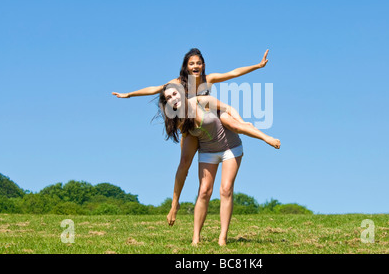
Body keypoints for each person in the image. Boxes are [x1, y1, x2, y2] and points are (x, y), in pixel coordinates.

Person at [112, 48, 272, 224]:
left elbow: (233, 73)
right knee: (183, 164)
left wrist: (258, 65)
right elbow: (156, 89)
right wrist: (129, 94)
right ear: (186, 67)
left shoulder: (208, 79)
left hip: (208, 122)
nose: (195, 66)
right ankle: (175, 204)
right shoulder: (178, 83)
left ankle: (248, 132)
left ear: (203, 65)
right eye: (191, 63)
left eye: (198, 63)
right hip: (191, 130)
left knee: (227, 123)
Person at [158, 83, 280, 246]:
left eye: (175, 94)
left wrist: (244, 123)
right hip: (208, 151)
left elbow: (228, 108)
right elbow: (183, 167)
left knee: (226, 189)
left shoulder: (201, 101)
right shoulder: (179, 121)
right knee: (203, 191)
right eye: (168, 97)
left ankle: (222, 238)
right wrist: (174, 205)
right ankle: (196, 239)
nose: (173, 98)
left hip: (230, 147)